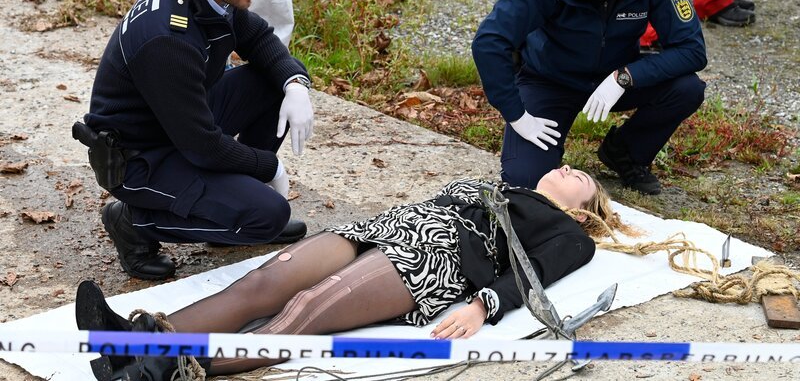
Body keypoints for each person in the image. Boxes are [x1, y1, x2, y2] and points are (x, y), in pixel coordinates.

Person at [76, 166, 619, 380]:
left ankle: (170, 371)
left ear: (585, 207)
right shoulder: (509, 183)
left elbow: (533, 274)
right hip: (388, 226)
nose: (570, 168)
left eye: (583, 178)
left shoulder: (570, 235)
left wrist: (483, 305)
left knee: (307, 309)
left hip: (436, 255)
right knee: (262, 283)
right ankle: (137, 339)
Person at [77, 0, 313, 282]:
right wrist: (270, 167)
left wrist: (295, 84)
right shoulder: (167, 37)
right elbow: (203, 147)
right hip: (140, 156)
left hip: (179, 122)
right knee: (268, 218)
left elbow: (257, 37)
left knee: (273, 82)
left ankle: (229, 208)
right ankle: (134, 223)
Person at [472, 0, 707, 196]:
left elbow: (693, 50)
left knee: (687, 88)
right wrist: (517, 114)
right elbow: (489, 40)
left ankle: (625, 153)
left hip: (613, 81)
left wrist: (625, 77)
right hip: (549, 82)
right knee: (526, 184)